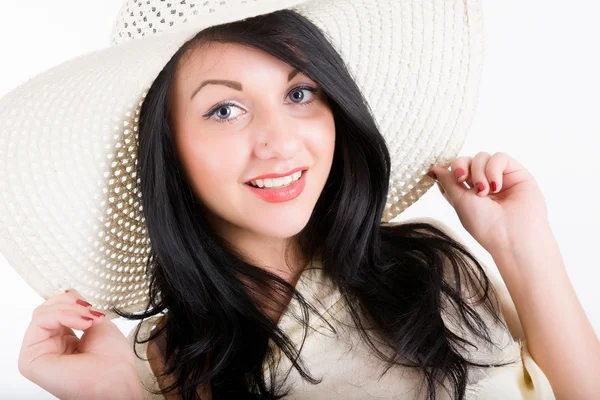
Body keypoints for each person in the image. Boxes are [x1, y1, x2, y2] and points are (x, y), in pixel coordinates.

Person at [2, 1, 599, 399]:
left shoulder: (432, 270)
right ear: (166, 149)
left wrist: (525, 248)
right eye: (225, 109)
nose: (281, 141)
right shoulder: (145, 370)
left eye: (300, 92)